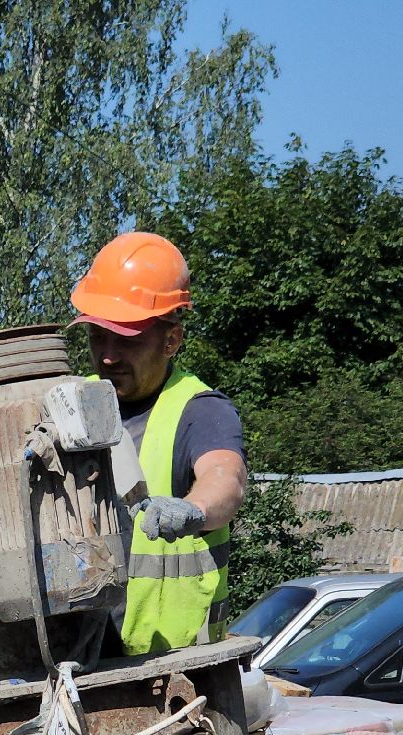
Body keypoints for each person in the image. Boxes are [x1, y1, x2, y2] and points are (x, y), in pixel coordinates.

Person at [71, 230, 247, 655]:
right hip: (82, 657)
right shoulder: (72, 403)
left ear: (172, 340)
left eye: (127, 338)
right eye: (98, 336)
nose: (108, 355)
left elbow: (226, 477)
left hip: (174, 666)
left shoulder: (199, 410)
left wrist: (194, 509)